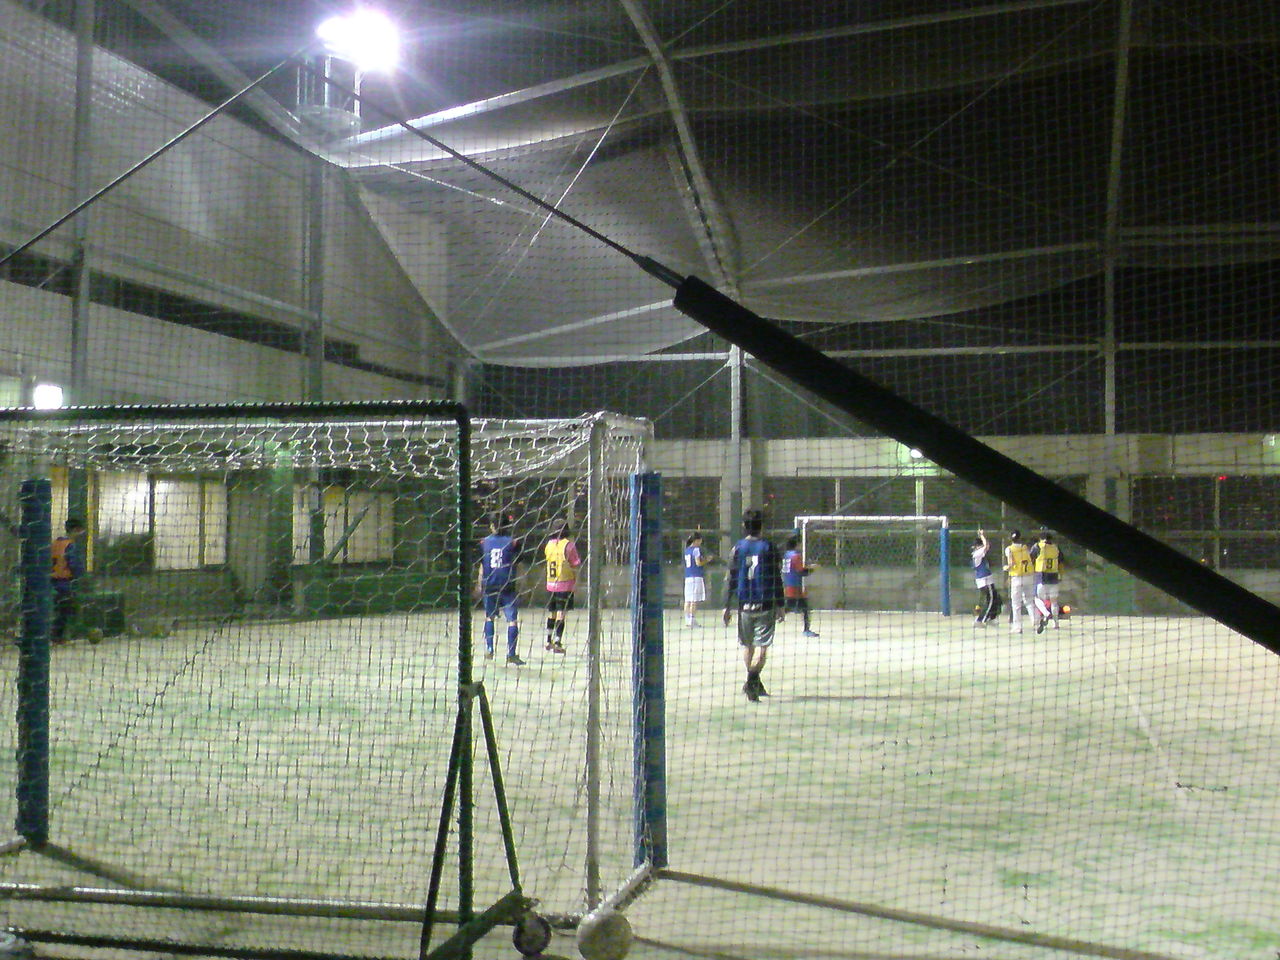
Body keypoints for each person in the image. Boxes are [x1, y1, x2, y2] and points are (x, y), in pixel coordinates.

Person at [723, 509, 784, 702]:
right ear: (762, 526)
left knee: (747, 646)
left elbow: (731, 578)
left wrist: (727, 605)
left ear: (744, 526)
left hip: (744, 605)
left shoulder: (737, 548)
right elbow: (776, 577)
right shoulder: (769, 547)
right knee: (762, 648)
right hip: (765, 604)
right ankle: (752, 679)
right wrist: (781, 604)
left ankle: (752, 681)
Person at [478, 513, 524, 664]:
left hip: (489, 584)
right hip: (507, 585)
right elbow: (518, 564)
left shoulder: (483, 542)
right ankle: (511, 654)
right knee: (512, 620)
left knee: (489, 617)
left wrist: (479, 584)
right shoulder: (513, 543)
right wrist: (521, 582)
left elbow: (481, 565)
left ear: (492, 525)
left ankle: (490, 649)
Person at [543, 522, 581, 654]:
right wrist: (577, 581)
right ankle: (558, 641)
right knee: (561, 613)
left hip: (550, 584)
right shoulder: (568, 545)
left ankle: (548, 640)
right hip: (564, 584)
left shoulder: (549, 545)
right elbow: (575, 564)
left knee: (552, 612)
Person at [51, 517, 88, 644]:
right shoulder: (70, 546)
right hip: (65, 582)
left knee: (58, 610)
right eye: (80, 531)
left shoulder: (55, 543)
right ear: (75, 530)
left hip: (52, 581)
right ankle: (58, 637)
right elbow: (74, 564)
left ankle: (57, 636)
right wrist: (81, 576)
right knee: (65, 610)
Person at [782, 536, 819, 637]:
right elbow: (801, 572)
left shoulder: (786, 555)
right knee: (805, 608)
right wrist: (812, 569)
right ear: (797, 544)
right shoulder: (796, 556)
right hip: (794, 586)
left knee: (790, 606)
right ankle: (806, 630)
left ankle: (774, 617)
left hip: (787, 584)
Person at [1030, 531, 1065, 634]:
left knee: (1036, 598)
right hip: (1054, 576)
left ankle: (1046, 613)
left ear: (1041, 538)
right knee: (1054, 602)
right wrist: (1061, 575)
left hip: (1042, 576)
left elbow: (1031, 557)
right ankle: (1056, 623)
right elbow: (1061, 561)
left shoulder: (1037, 546)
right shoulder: (1056, 548)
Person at [1003, 529, 1036, 635]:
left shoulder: (1009, 549)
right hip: (1029, 576)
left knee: (1016, 604)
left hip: (1017, 577)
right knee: (1029, 601)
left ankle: (1017, 627)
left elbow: (1011, 564)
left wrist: (1006, 568)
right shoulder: (1025, 548)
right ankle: (1036, 622)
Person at [971, 528, 1002, 625]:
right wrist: (982, 535)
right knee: (990, 600)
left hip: (987, 580)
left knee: (995, 599)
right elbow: (986, 546)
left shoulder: (979, 554)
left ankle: (991, 618)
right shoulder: (977, 554)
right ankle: (980, 620)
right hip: (985, 580)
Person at [682, 532, 713, 627]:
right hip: (696, 576)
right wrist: (707, 560)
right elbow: (698, 563)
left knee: (687, 600)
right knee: (693, 600)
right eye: (700, 540)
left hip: (688, 577)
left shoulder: (687, 550)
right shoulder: (696, 550)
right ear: (696, 540)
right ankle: (692, 620)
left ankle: (687, 619)